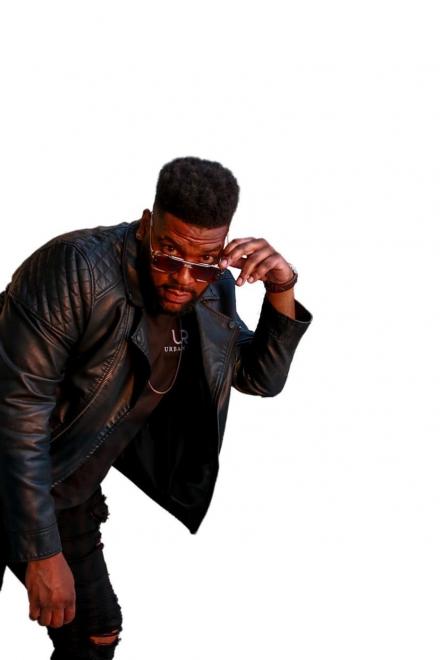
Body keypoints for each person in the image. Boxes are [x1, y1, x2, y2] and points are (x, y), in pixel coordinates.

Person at [0, 156, 313, 658]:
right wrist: (42, 551)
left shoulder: (210, 288)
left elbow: (258, 377)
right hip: (12, 466)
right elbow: (17, 413)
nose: (183, 278)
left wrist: (282, 285)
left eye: (204, 262)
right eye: (169, 254)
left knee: (95, 635)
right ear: (148, 225)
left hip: (63, 485)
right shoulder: (76, 269)